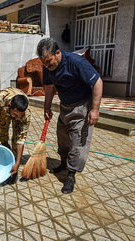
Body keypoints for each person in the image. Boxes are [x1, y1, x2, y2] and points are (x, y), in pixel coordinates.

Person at [37, 37, 103, 194]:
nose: (47, 66)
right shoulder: (48, 67)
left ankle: (71, 174)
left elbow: (98, 82)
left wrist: (95, 109)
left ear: (58, 52)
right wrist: (47, 107)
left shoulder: (76, 62)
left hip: (82, 107)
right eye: (44, 63)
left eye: (49, 61)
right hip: (65, 107)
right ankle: (63, 163)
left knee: (77, 142)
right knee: (63, 138)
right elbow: (50, 87)